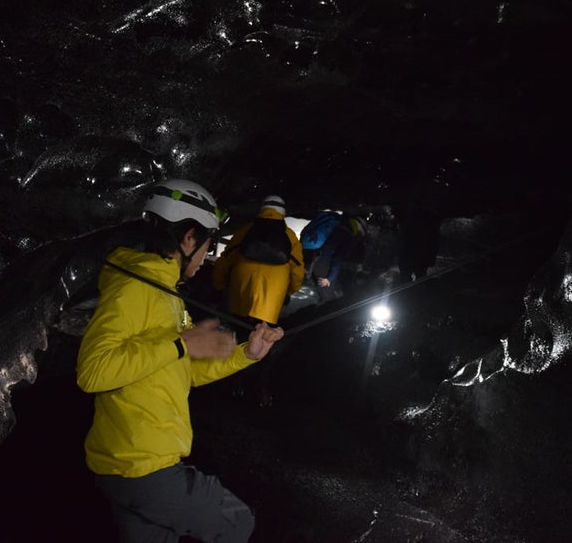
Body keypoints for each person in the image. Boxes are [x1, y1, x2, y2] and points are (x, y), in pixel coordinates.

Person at [76, 178, 285, 543]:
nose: (207, 256)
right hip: (141, 465)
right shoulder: (135, 288)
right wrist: (179, 343)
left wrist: (245, 355)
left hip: (133, 464)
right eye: (209, 244)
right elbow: (94, 372)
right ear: (189, 238)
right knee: (236, 523)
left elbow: (182, 371)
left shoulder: (166, 291)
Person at [211, 194, 305, 333]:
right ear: (283, 212)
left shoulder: (246, 230)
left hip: (240, 296)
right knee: (259, 339)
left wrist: (218, 284)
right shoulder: (290, 237)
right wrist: (290, 291)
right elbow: (298, 270)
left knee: (234, 333)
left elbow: (226, 259)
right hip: (270, 304)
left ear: (261, 209)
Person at [307, 213, 367, 303]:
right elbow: (338, 258)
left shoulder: (339, 226)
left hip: (314, 259)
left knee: (319, 293)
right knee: (327, 298)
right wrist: (330, 278)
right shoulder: (348, 234)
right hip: (324, 265)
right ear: (359, 229)